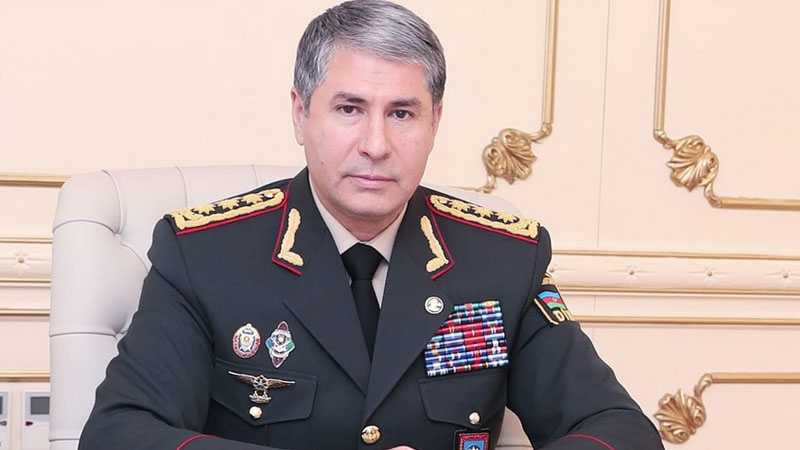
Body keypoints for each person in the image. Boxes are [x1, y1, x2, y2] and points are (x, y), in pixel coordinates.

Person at [79, 1, 664, 449]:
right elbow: (119, 432)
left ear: (435, 123)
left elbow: (619, 430)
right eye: (349, 109)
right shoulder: (204, 254)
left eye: (402, 113)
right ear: (300, 114)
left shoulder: (503, 260)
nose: (376, 145)